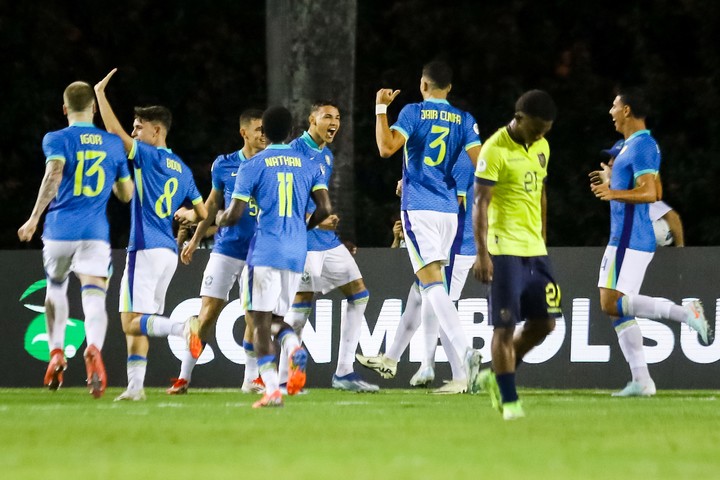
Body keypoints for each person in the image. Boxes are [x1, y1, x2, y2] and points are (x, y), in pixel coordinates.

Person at [358, 60, 483, 392]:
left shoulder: (413, 112)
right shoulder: (465, 119)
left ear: (423, 85)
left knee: (432, 288)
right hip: (448, 215)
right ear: (449, 88)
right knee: (427, 288)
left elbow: (386, 148)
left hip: (419, 209)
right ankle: (407, 359)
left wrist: (381, 109)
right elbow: (482, 167)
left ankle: (464, 352)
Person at [94, 69, 208, 401]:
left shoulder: (148, 155)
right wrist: (186, 220)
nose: (133, 132)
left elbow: (112, 131)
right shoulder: (183, 169)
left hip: (143, 249)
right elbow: (202, 213)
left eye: (139, 128)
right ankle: (135, 388)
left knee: (131, 322)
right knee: (140, 320)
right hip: (167, 253)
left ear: (156, 131)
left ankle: (182, 327)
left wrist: (101, 94)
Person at [589, 87, 709, 397]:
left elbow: (652, 193)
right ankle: (642, 380)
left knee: (609, 303)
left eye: (614, 106)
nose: (611, 111)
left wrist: (613, 192)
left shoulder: (644, 145)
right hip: (624, 237)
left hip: (630, 238)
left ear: (627, 110)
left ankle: (686, 314)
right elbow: (634, 186)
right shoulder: (627, 146)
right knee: (617, 309)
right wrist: (610, 180)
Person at [17, 81, 134, 398]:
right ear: (94, 109)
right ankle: (93, 347)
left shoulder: (55, 138)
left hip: (58, 231)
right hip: (95, 233)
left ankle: (56, 351)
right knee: (94, 295)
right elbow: (126, 194)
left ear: (65, 108)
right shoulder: (112, 144)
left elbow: (53, 174)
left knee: (55, 288)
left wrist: (33, 218)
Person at [216, 106, 332, 408]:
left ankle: (271, 388)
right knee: (279, 320)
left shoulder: (254, 164)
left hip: (265, 251)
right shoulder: (309, 165)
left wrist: (219, 218)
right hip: (296, 253)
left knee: (259, 323)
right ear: (292, 131)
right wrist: (301, 228)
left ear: (264, 132)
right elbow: (325, 210)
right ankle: (293, 348)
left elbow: (236, 213)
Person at [473, 90, 563, 420]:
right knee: (504, 328)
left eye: (546, 130)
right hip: (503, 249)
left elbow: (539, 191)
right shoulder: (494, 148)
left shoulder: (542, 147)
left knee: (544, 324)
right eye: (537, 128)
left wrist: (542, 235)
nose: (541, 135)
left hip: (534, 250)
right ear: (520, 118)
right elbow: (480, 203)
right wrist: (482, 254)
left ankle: (499, 376)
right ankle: (509, 401)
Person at [167, 109, 267, 395]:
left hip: (258, 252)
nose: (263, 134)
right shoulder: (224, 165)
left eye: (265, 130)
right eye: (258, 129)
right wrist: (196, 238)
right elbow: (211, 205)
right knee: (207, 313)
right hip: (225, 249)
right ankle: (184, 376)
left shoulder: (271, 164)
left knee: (253, 315)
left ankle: (251, 379)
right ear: (244, 132)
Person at [280, 101, 378, 393]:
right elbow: (287, 202)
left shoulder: (326, 155)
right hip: (304, 241)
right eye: (327, 116)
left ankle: (344, 373)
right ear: (311, 119)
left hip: (327, 242)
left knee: (359, 293)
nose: (334, 122)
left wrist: (331, 229)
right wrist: (315, 221)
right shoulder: (293, 152)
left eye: (338, 117)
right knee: (301, 306)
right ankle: (286, 378)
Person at [601, 140, 685, 247]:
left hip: (657, 236)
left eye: (615, 158)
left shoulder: (638, 189)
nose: (610, 163)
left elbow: (673, 217)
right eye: (611, 158)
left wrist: (681, 251)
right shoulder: (623, 187)